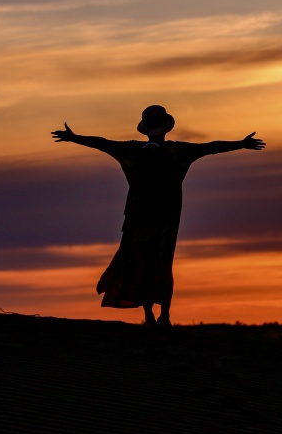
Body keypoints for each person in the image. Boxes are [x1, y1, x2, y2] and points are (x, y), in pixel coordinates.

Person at [52, 105, 265, 326]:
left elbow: (102, 143)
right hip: (166, 218)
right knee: (162, 265)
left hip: (139, 218)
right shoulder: (178, 151)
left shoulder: (131, 150)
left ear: (145, 128)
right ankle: (164, 315)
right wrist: (241, 143)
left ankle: (149, 315)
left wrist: (73, 138)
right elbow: (211, 147)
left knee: (142, 265)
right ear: (166, 127)